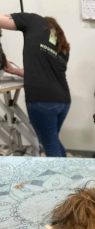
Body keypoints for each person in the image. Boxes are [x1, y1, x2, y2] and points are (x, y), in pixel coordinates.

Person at [0, 13, 71, 157]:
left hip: (42, 100)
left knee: (50, 144)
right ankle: (68, 169)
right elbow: (40, 72)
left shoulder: (34, 20)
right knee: (52, 140)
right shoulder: (62, 48)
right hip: (63, 101)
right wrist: (14, 70)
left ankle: (59, 177)